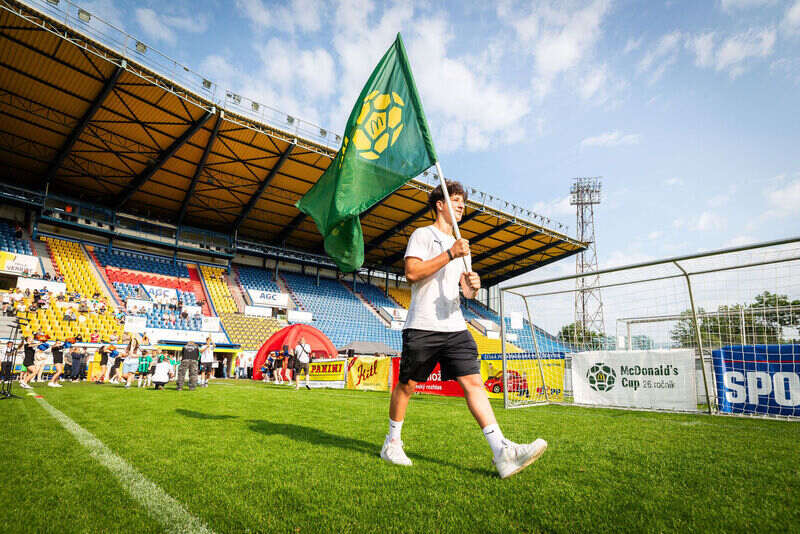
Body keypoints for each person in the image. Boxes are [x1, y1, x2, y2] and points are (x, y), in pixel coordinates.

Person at [380, 180, 547, 479]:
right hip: (423, 325)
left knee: (473, 383)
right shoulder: (423, 235)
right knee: (407, 386)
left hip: (455, 326)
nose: (461, 205)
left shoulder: (463, 245)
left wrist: (473, 286)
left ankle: (501, 452)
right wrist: (450, 254)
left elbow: (466, 292)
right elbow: (411, 273)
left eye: (462, 202)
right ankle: (392, 443)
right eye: (455, 200)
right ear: (440, 204)